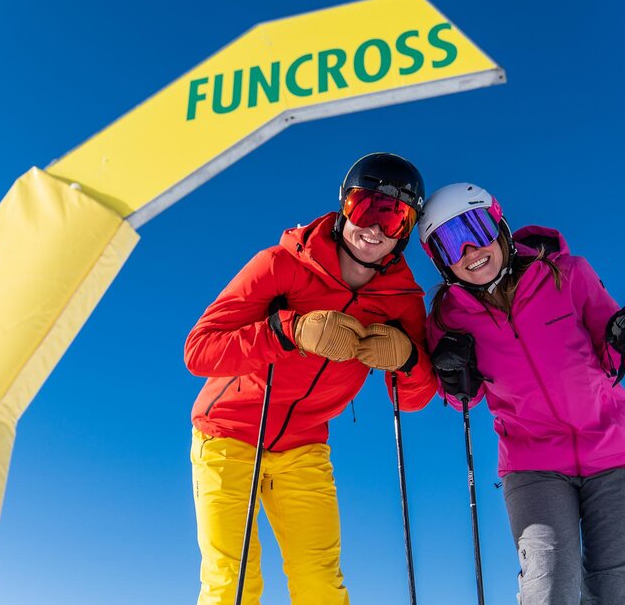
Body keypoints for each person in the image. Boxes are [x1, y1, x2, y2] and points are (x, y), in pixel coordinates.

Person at [183, 153, 439, 605]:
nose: (375, 229)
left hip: (304, 449)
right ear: (344, 205)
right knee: (233, 582)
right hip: (227, 433)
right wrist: (288, 331)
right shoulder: (279, 265)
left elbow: (415, 398)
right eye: (365, 207)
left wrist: (407, 360)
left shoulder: (401, 301)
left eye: (395, 217)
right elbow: (199, 350)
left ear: (406, 231)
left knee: (320, 583)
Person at [418, 182, 625, 604]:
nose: (470, 251)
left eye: (475, 229)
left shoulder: (568, 274)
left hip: (619, 451)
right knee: (548, 589)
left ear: (498, 227)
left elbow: (612, 355)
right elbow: (464, 399)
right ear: (441, 261)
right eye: (450, 244)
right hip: (533, 463)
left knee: (617, 593)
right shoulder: (447, 316)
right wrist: (455, 375)